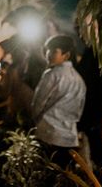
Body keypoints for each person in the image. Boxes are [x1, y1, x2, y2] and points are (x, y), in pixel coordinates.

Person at [31, 34, 86, 168]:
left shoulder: (52, 74)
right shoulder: (79, 80)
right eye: (48, 50)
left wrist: (34, 120)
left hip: (49, 133)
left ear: (66, 55)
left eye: (54, 51)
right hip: (69, 137)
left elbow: (38, 102)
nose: (49, 54)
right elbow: (79, 109)